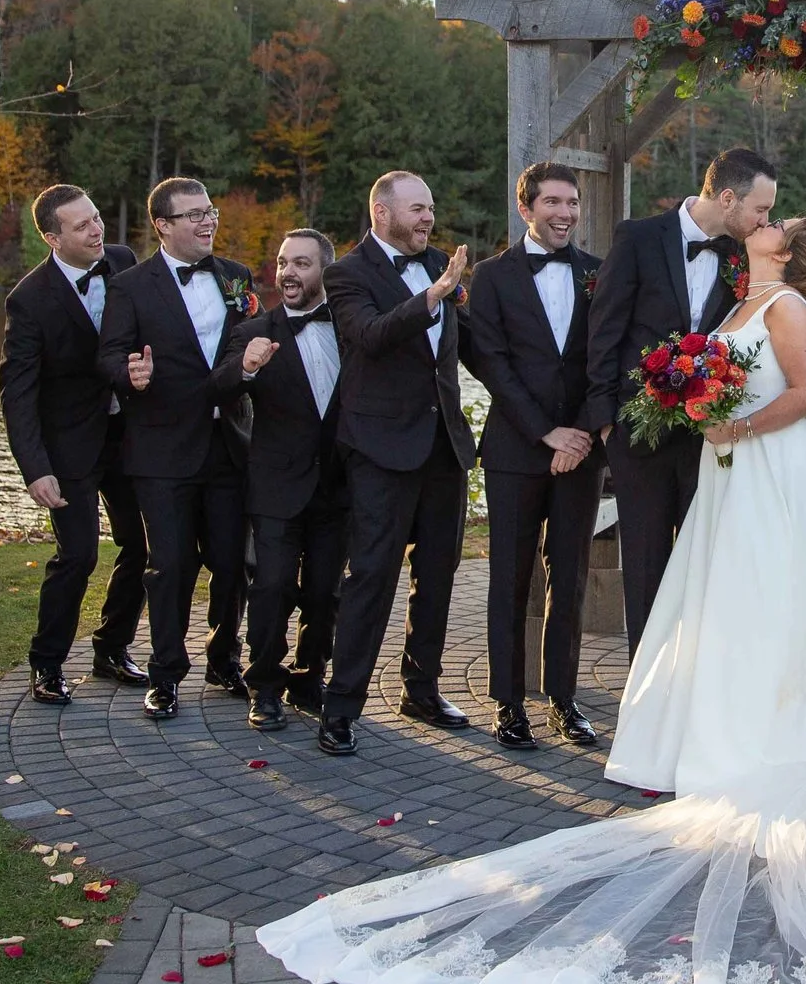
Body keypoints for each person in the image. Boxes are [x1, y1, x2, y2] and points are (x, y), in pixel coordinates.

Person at [257, 217, 806, 984]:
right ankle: (736, 728)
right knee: (734, 616)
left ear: (787, 248)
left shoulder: (788, 310)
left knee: (779, 606)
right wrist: (699, 400)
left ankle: (795, 731)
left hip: (776, 475)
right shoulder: (746, 302)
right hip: (735, 478)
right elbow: (734, 385)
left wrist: (735, 422)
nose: (760, 222)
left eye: (774, 221)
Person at [584, 147, 778, 651]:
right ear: (728, 197)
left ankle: (695, 694)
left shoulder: (741, 255)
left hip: (709, 440)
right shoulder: (638, 238)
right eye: (760, 208)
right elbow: (603, 333)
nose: (765, 219)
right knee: (645, 572)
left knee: (706, 568)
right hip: (637, 439)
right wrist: (607, 427)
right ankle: (644, 702)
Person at [316, 171, 478, 757]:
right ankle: (341, 708)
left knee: (437, 574)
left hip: (443, 448)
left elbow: (474, 347)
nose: (427, 219)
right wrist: (435, 294)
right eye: (416, 209)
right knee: (372, 577)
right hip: (380, 450)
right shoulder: (347, 273)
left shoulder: (440, 263)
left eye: (430, 208)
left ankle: (422, 689)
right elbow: (371, 336)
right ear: (381, 213)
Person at [97, 176, 256, 721]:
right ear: (162, 225)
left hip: (229, 446)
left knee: (233, 562)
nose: (207, 221)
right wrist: (128, 374)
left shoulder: (237, 277)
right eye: (193, 215)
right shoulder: (131, 287)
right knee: (169, 565)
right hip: (161, 449)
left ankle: (224, 659)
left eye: (209, 211)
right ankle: (165, 675)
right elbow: (109, 356)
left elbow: (240, 347)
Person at [462, 162, 607, 751]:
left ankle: (564, 700)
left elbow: (608, 359)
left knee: (570, 576)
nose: (565, 213)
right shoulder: (491, 277)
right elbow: (490, 362)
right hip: (515, 449)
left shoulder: (600, 273)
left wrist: (580, 434)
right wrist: (546, 433)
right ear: (526, 208)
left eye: (572, 203)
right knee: (510, 578)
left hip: (582, 449)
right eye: (553, 202)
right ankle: (507, 703)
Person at [0, 184, 147, 705]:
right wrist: (35, 468)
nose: (97, 230)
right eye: (82, 226)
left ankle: (111, 647)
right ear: (51, 236)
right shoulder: (30, 299)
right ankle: (47, 663)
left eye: (97, 218)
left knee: (142, 545)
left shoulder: (123, 261)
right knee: (78, 554)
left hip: (128, 435)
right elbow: (17, 393)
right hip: (69, 447)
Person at [210, 229, 351, 733]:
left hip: (337, 488)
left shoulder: (349, 328)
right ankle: (264, 687)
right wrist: (245, 370)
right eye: (283, 262)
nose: (288, 273)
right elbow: (218, 384)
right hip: (275, 486)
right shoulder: (254, 330)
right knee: (269, 589)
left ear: (325, 274)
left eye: (302, 264)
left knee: (324, 594)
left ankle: (310, 679)